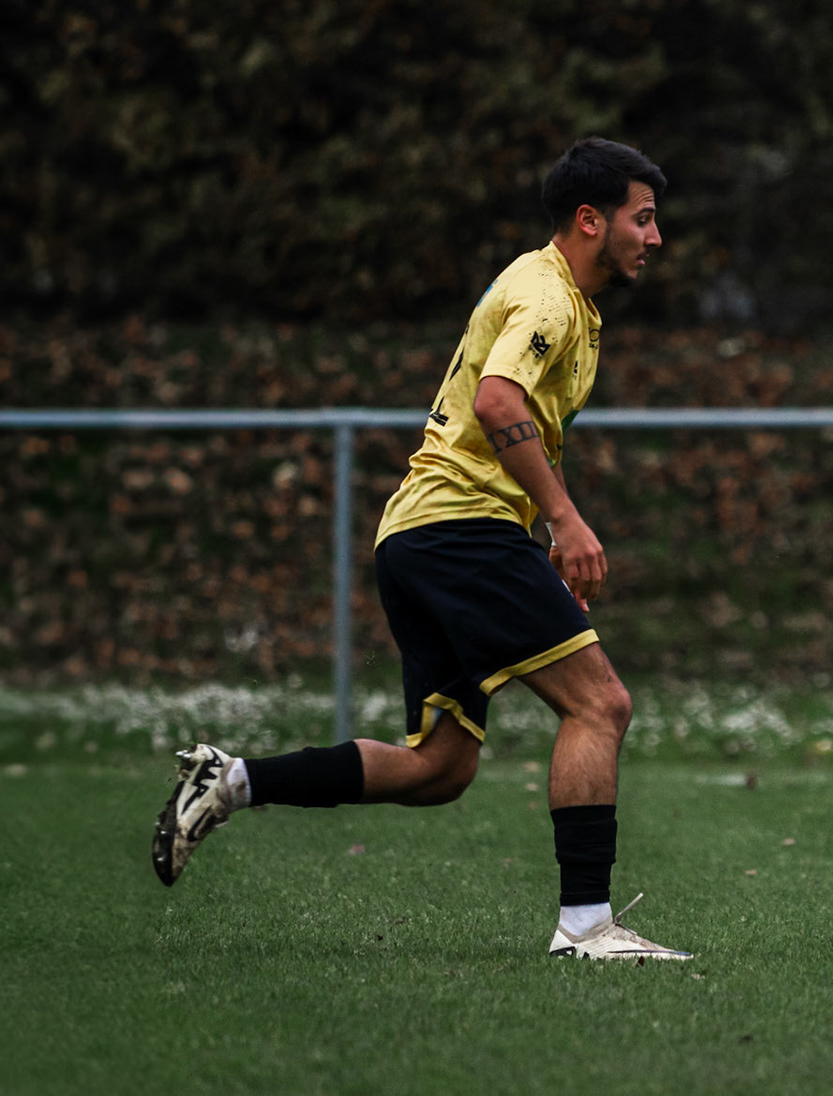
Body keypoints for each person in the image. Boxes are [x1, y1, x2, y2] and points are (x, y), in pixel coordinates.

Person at [151, 138, 691, 961]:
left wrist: (543, 522)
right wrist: (564, 520)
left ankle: (232, 781)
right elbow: (498, 399)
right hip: (460, 530)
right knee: (600, 705)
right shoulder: (548, 297)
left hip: (422, 534)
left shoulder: (559, 297)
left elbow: (510, 418)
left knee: (439, 767)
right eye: (642, 218)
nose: (654, 237)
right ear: (591, 220)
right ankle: (587, 927)